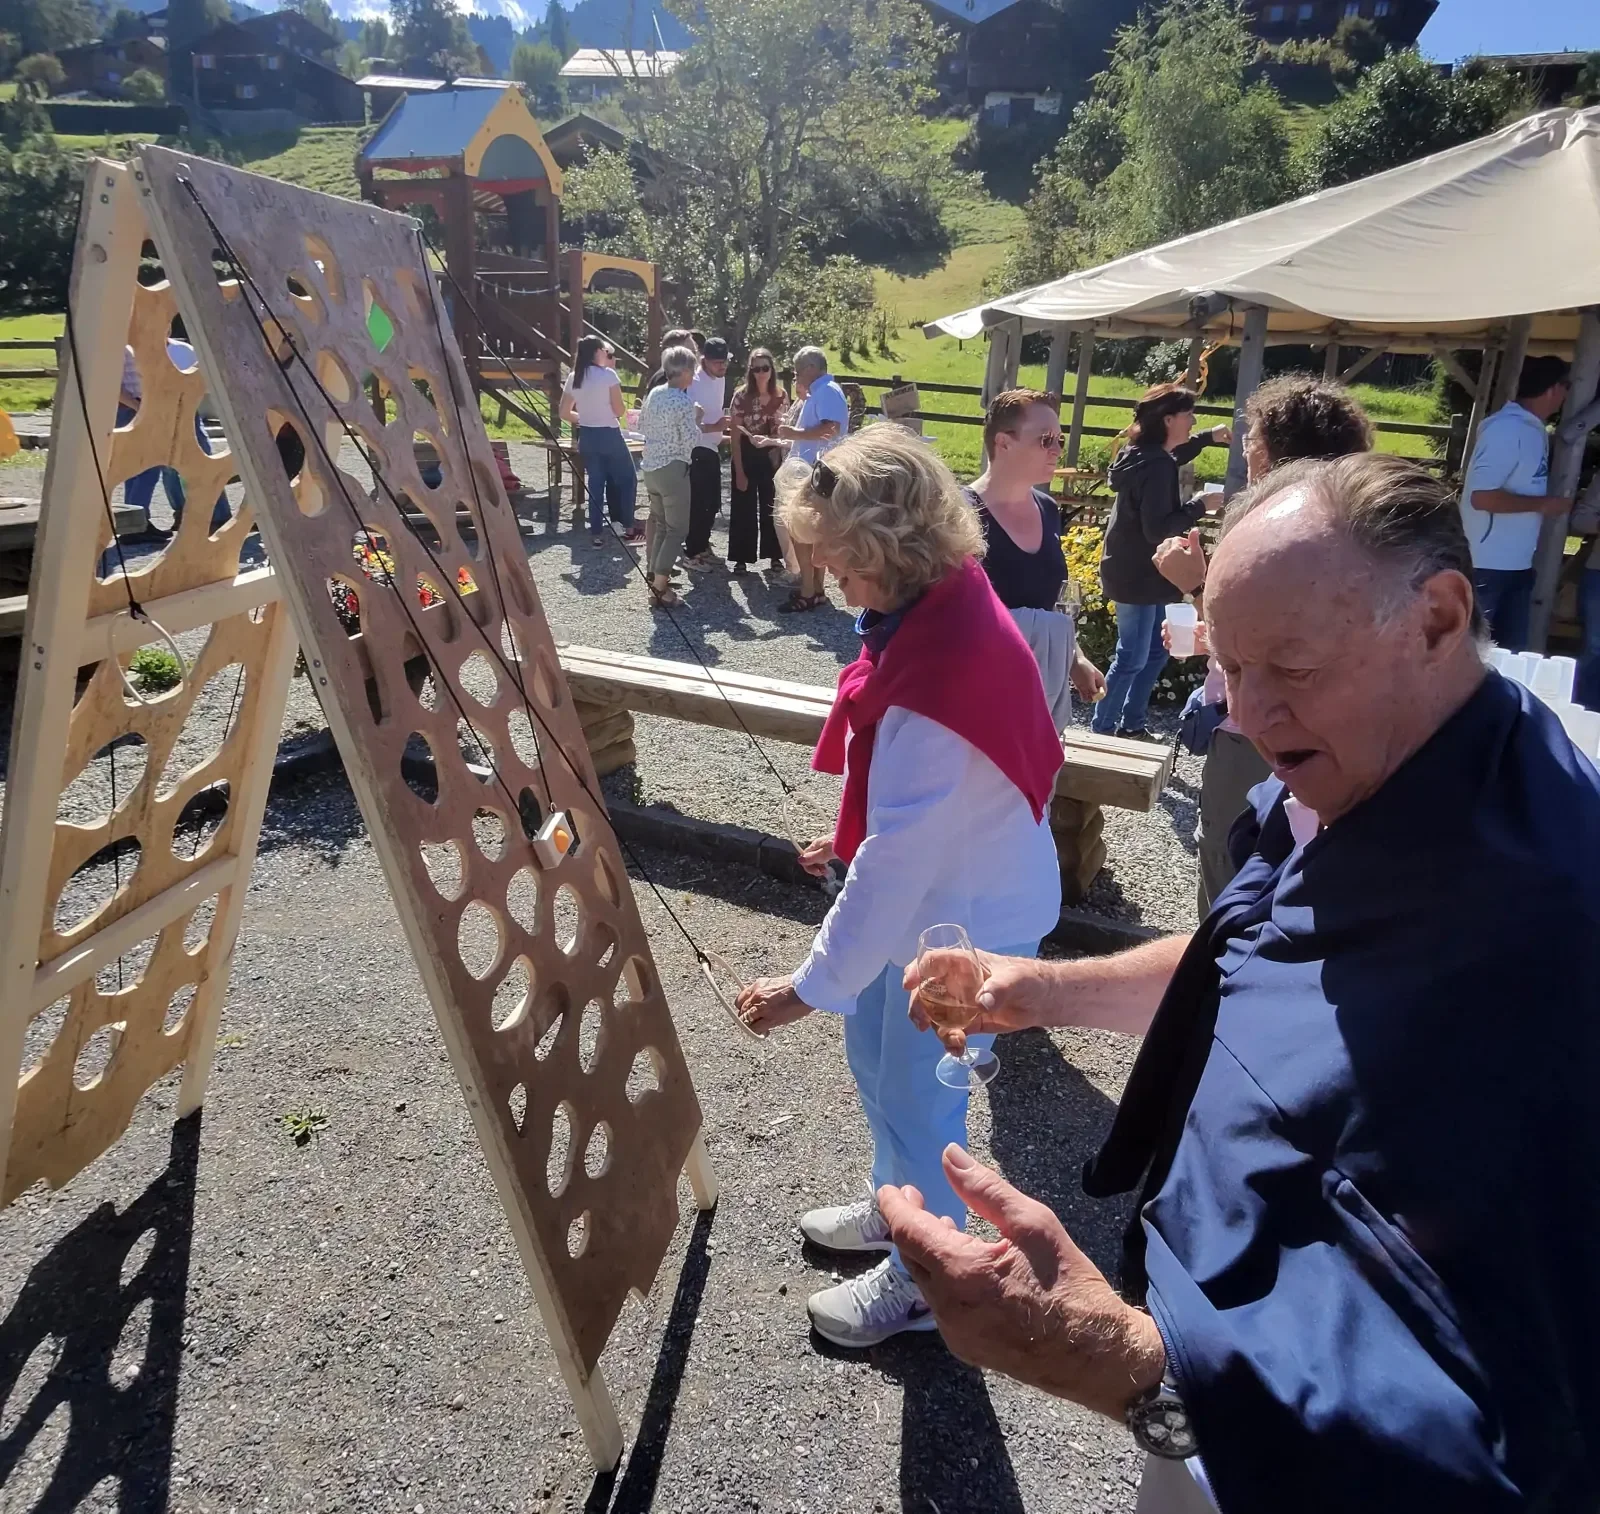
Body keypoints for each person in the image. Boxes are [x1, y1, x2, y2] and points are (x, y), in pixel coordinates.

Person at [884, 451, 1600, 1512]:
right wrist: (1032, 987)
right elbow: (1246, 950)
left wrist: (1125, 1365)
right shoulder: (1375, 760)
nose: (1252, 717)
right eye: (1227, 668)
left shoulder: (1541, 936)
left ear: (1440, 619)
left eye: (1290, 668)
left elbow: (1500, 1434)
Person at [733, 426, 1065, 1348]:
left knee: (924, 1093)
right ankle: (901, 1205)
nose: (834, 579)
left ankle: (931, 1271)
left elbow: (900, 853)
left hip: (966, 916)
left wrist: (806, 986)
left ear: (891, 550)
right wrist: (850, 831)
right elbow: (907, 812)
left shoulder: (944, 658)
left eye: (842, 562)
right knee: (879, 1065)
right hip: (937, 899)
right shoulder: (933, 608)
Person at [1157, 374, 1374, 916]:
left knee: (1232, 880)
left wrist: (1195, 584)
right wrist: (1212, 642)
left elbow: (1266, 638)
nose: (1247, 456)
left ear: (1280, 452)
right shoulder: (1354, 528)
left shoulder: (1279, 528)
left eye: (1253, 442)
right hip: (1325, 732)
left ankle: (1215, 988)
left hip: (1254, 731)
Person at [1093, 384, 1231, 739]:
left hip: (1144, 573)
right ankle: (1102, 729)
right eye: (1189, 416)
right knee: (1133, 658)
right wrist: (1201, 505)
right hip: (1136, 576)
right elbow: (1158, 530)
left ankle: (1132, 725)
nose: (1193, 420)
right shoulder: (1156, 466)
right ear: (1168, 420)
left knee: (1155, 653)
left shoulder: (1144, 453)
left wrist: (1205, 438)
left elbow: (1173, 456)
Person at [966, 388, 1105, 719]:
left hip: (1038, 698)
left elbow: (1056, 602)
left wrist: (1075, 658)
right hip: (977, 696)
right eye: (1046, 440)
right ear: (1003, 443)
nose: (1058, 450)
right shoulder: (960, 513)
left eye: (1059, 439)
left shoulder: (1048, 509)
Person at [1459, 355, 1572, 650]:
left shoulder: (1530, 429)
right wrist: (1542, 505)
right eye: (1566, 388)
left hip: (1515, 564)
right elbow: (1481, 496)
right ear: (1553, 389)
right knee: (1471, 652)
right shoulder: (1507, 430)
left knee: (1507, 655)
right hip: (1487, 564)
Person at [774, 346, 849, 613]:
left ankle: (807, 590)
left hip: (814, 470)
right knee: (813, 531)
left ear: (810, 369)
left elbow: (831, 428)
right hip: (814, 468)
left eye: (797, 372)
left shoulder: (827, 391)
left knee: (801, 530)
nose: (796, 377)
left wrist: (793, 433)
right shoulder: (822, 391)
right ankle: (816, 587)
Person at [636, 345, 702, 609]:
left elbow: (640, 424)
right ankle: (660, 588)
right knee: (677, 529)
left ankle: (655, 579)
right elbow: (690, 439)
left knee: (662, 525)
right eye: (693, 371)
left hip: (651, 466)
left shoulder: (654, 393)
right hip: (672, 468)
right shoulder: (683, 401)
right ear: (685, 371)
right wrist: (697, 418)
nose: (694, 376)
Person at [559, 335, 641, 548]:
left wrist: (585, 417)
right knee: (627, 478)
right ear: (597, 352)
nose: (607, 355)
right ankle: (629, 527)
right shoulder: (608, 375)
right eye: (605, 351)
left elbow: (564, 412)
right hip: (609, 433)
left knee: (596, 484)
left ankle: (596, 532)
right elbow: (619, 409)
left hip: (587, 434)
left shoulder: (574, 377)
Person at [726, 347, 788, 574]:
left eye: (765, 368)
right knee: (743, 505)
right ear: (750, 372)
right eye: (756, 369)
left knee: (772, 505)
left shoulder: (781, 395)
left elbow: (783, 431)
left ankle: (775, 556)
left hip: (771, 453)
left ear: (772, 370)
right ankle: (741, 558)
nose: (761, 373)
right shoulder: (741, 396)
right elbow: (735, 435)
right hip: (746, 451)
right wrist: (739, 470)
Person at [681, 336, 731, 570]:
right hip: (695, 447)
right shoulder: (694, 382)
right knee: (700, 503)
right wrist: (715, 427)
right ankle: (691, 551)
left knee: (712, 502)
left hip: (711, 445)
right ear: (704, 360)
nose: (722, 366)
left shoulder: (720, 380)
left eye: (725, 361)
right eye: (717, 362)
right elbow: (686, 423)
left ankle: (701, 545)